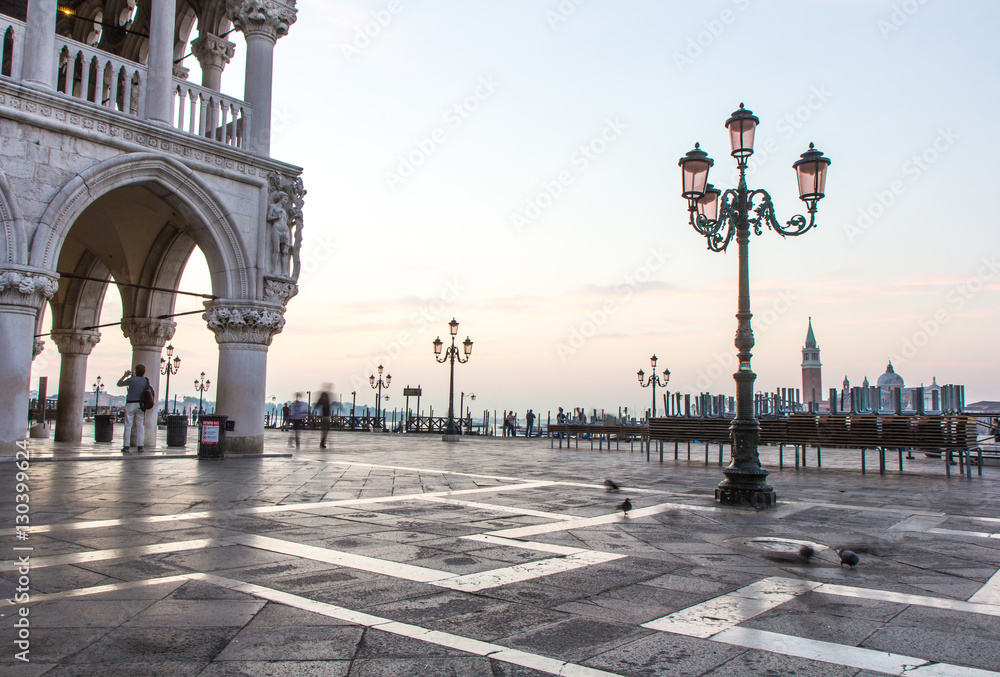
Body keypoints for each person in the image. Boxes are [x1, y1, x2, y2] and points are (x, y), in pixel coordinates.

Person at [117, 364, 149, 453]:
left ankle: (126, 446)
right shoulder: (146, 380)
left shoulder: (131, 380)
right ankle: (140, 446)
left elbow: (119, 384)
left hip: (131, 404)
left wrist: (125, 376)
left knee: (128, 425)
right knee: (140, 426)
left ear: (136, 371)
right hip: (141, 405)